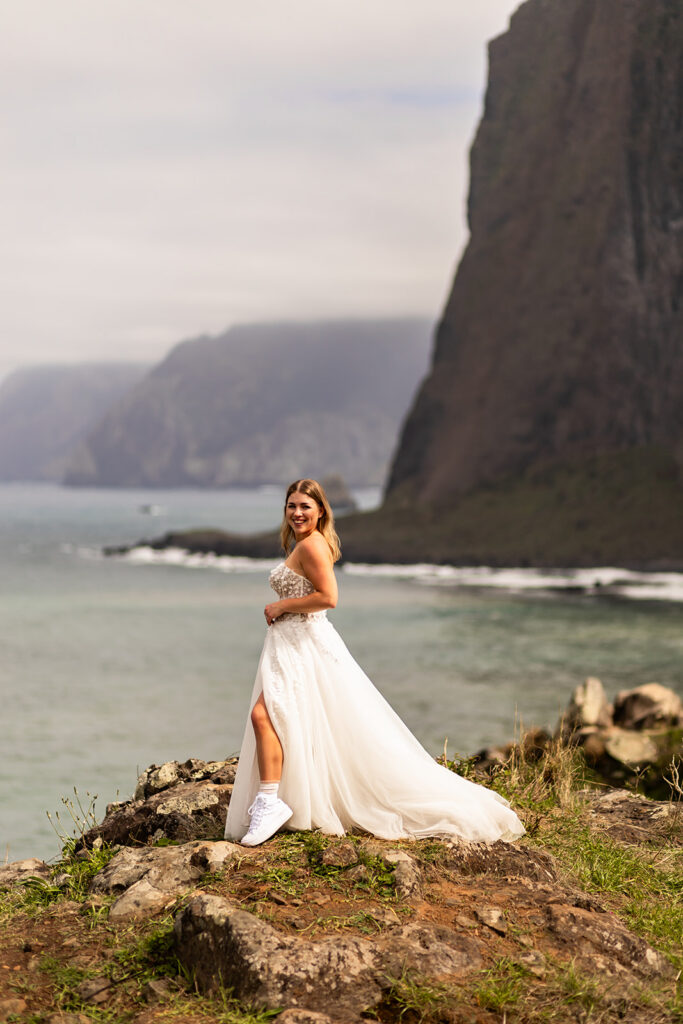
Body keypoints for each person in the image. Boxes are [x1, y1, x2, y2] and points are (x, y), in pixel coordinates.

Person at [225, 478, 524, 847]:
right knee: (296, 720)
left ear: (320, 511)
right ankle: (288, 799)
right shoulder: (303, 544)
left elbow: (328, 597)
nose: (298, 512)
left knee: (265, 715)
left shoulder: (312, 546)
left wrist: (280, 605)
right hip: (294, 643)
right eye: (292, 506)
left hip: (303, 644)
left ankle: (271, 802)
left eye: (305, 506)